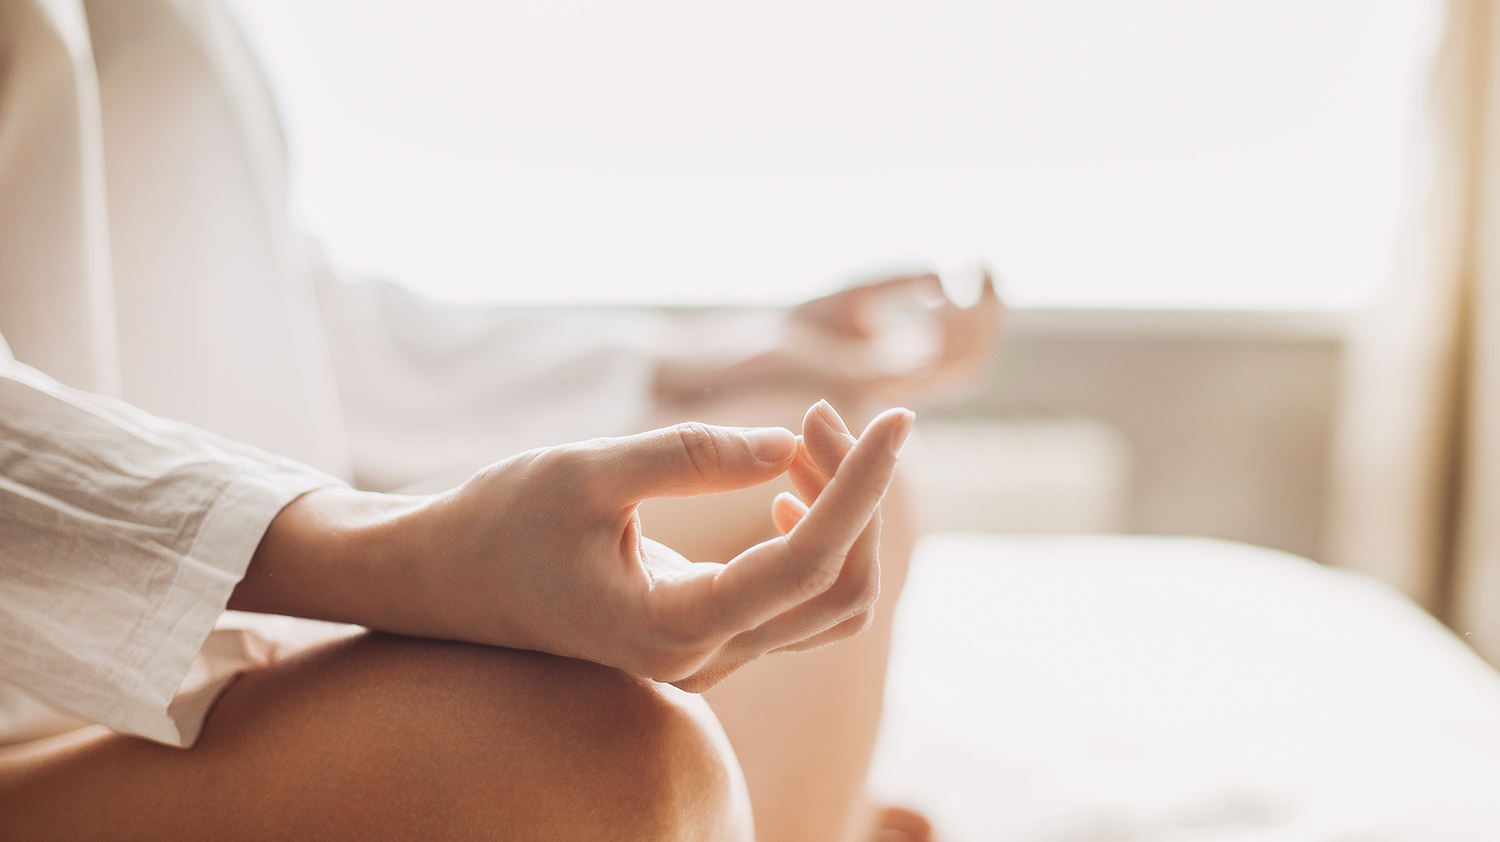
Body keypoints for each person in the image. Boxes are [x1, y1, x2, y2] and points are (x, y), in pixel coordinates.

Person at [0, 0, 1002, 839]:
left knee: (806, 491)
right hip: (32, 712)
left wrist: (712, 362)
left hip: (222, 613)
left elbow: (272, 301)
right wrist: (389, 553)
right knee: (619, 765)